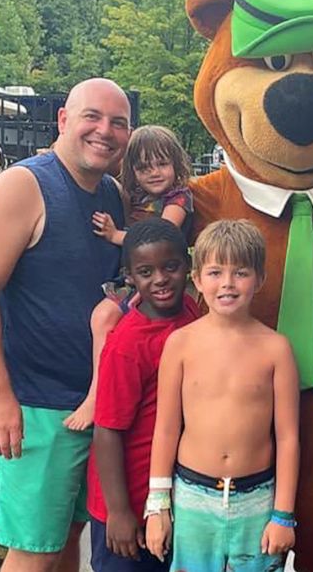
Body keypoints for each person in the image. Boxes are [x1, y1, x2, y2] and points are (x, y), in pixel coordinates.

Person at [0, 77, 131, 572]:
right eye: (92, 117)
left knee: (66, 542)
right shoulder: (24, 185)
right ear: (63, 121)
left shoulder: (111, 196)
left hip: (91, 406)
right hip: (34, 406)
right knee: (33, 551)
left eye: (118, 123)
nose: (105, 131)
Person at [145, 220, 300, 572]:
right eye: (215, 272)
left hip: (258, 500)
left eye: (240, 272)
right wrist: (157, 506)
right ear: (197, 280)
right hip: (192, 497)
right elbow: (166, 428)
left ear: (259, 279)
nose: (227, 283)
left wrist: (283, 514)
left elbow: (288, 437)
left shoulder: (276, 349)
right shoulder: (180, 344)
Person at [88, 219, 200, 572]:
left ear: (188, 266)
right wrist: (119, 511)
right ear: (130, 277)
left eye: (171, 267)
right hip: (127, 500)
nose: (161, 279)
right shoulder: (127, 345)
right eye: (146, 271)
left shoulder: (192, 315)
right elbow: (106, 429)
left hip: (169, 498)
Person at [65, 125, 194, 431]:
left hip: (158, 278)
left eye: (162, 164)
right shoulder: (134, 196)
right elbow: (106, 167)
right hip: (136, 276)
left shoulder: (178, 198)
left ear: (176, 164)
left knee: (102, 317)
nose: (154, 173)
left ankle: (96, 396)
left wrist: (115, 234)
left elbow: (164, 234)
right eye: (143, 167)